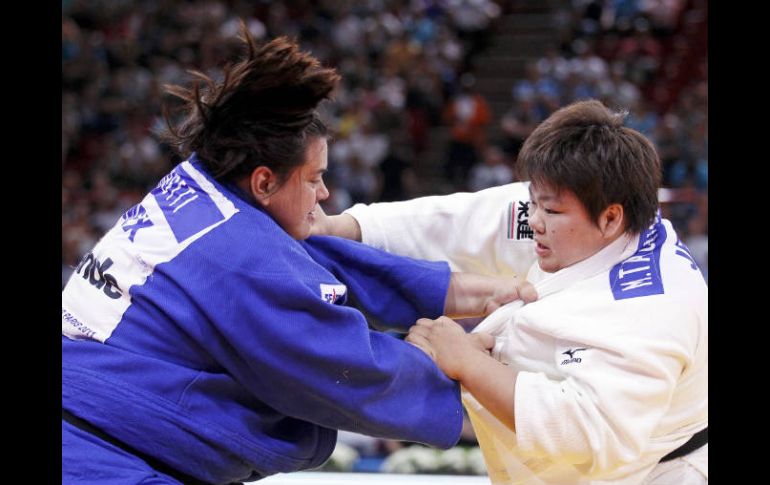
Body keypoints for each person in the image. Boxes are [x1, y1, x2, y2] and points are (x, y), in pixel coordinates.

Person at [61, 26, 531, 485]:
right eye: (314, 179)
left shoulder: (201, 191)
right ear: (264, 182)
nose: (325, 192)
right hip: (102, 458)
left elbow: (315, 259)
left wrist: (484, 291)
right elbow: (351, 372)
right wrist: (461, 364)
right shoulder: (238, 258)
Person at [316, 100, 707, 484]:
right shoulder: (580, 204)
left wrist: (467, 363)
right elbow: (456, 223)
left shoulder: (651, 306)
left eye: (549, 211)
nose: (533, 220)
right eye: (533, 201)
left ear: (610, 218)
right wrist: (343, 227)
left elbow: (586, 434)